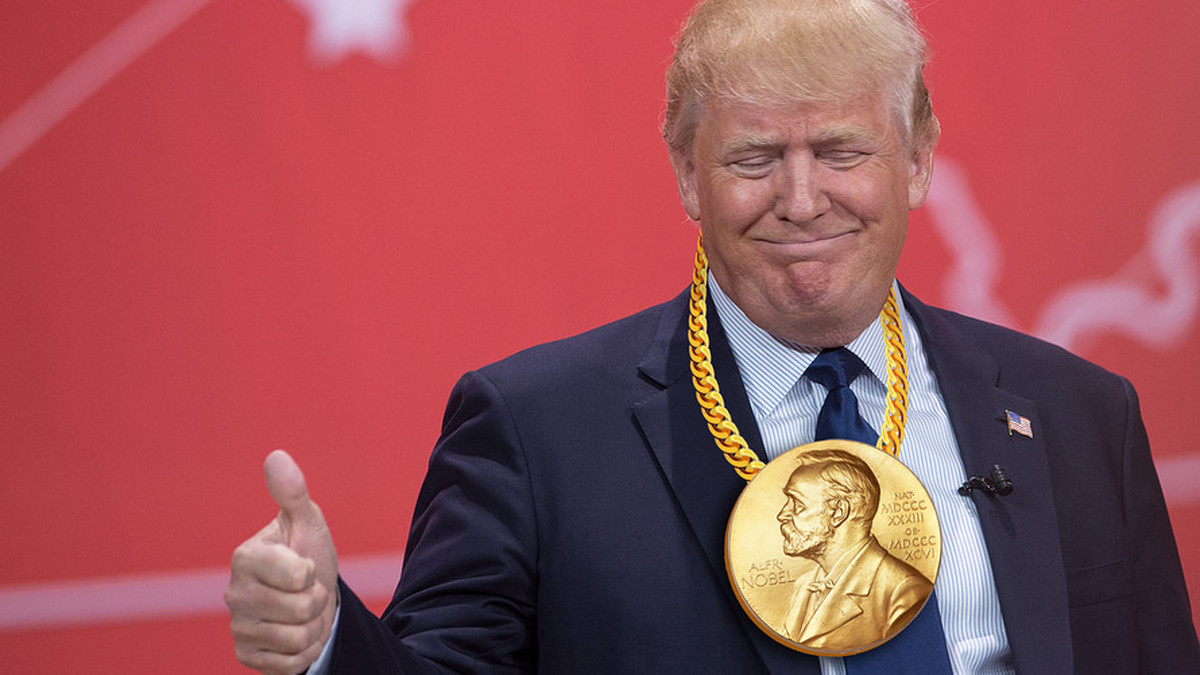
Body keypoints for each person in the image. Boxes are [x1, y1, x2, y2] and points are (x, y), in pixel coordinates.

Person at [224, 0, 1200, 673]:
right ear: (688, 176)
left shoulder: (1081, 416)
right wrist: (323, 641)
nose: (802, 198)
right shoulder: (533, 432)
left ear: (917, 159)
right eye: (754, 158)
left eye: (842, 151)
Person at [775, 449, 931, 651]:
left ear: (838, 512)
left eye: (797, 504)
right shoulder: (803, 585)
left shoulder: (904, 593)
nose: (782, 515)